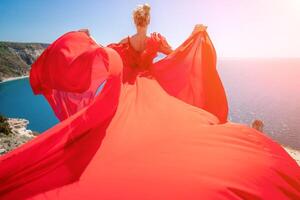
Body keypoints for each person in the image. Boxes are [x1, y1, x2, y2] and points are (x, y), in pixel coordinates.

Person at [0, 3, 299, 200]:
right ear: (149, 20)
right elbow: (174, 54)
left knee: (111, 135)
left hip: (128, 90)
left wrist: (86, 40)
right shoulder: (154, 39)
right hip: (152, 89)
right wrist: (195, 36)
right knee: (168, 129)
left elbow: (106, 55)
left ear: (134, 20)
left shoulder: (123, 43)